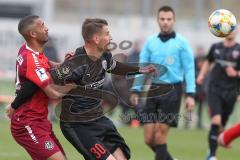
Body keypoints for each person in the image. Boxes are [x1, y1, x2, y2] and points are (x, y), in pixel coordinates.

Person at [7, 18, 158, 160]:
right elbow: (42, 82)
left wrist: (141, 69)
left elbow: (115, 67)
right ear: (96, 39)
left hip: (98, 119)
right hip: (77, 124)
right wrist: (16, 104)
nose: (111, 37)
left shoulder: (105, 56)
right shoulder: (76, 65)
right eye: (107, 34)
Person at [5, 15, 76, 160]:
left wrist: (64, 63)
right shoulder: (32, 60)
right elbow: (53, 93)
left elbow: (46, 64)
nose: (47, 28)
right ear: (33, 34)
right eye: (42, 25)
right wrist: (74, 86)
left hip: (39, 121)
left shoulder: (29, 50)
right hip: (27, 123)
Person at [130, 6, 195, 160]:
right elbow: (142, 66)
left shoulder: (182, 43)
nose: (165, 22)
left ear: (174, 20)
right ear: (158, 20)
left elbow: (190, 69)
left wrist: (191, 94)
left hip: (173, 90)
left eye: (169, 19)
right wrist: (136, 89)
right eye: (162, 19)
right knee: (148, 139)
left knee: (160, 135)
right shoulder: (150, 42)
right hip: (153, 89)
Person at [197, 28, 240, 160]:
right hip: (214, 89)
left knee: (221, 125)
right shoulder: (215, 47)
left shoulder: (239, 50)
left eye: (234, 29)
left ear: (237, 31)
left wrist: (236, 73)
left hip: (231, 91)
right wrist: (201, 75)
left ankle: (222, 140)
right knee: (216, 121)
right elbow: (208, 62)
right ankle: (212, 155)